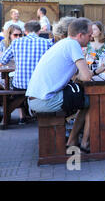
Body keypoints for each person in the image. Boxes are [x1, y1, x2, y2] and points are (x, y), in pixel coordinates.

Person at [26, 18, 96, 152]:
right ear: (80, 35)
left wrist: (95, 71)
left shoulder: (64, 43)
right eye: (89, 35)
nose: (91, 37)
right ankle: (85, 143)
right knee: (94, 101)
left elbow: (78, 77)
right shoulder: (73, 45)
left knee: (86, 101)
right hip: (44, 100)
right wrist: (91, 72)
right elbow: (85, 77)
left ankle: (73, 140)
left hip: (36, 98)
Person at [0, 21, 53, 124]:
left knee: (14, 89)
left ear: (25, 31)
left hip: (21, 84)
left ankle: (13, 116)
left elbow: (3, 61)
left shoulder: (16, 42)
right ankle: (33, 114)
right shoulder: (47, 43)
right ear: (39, 31)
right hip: (40, 84)